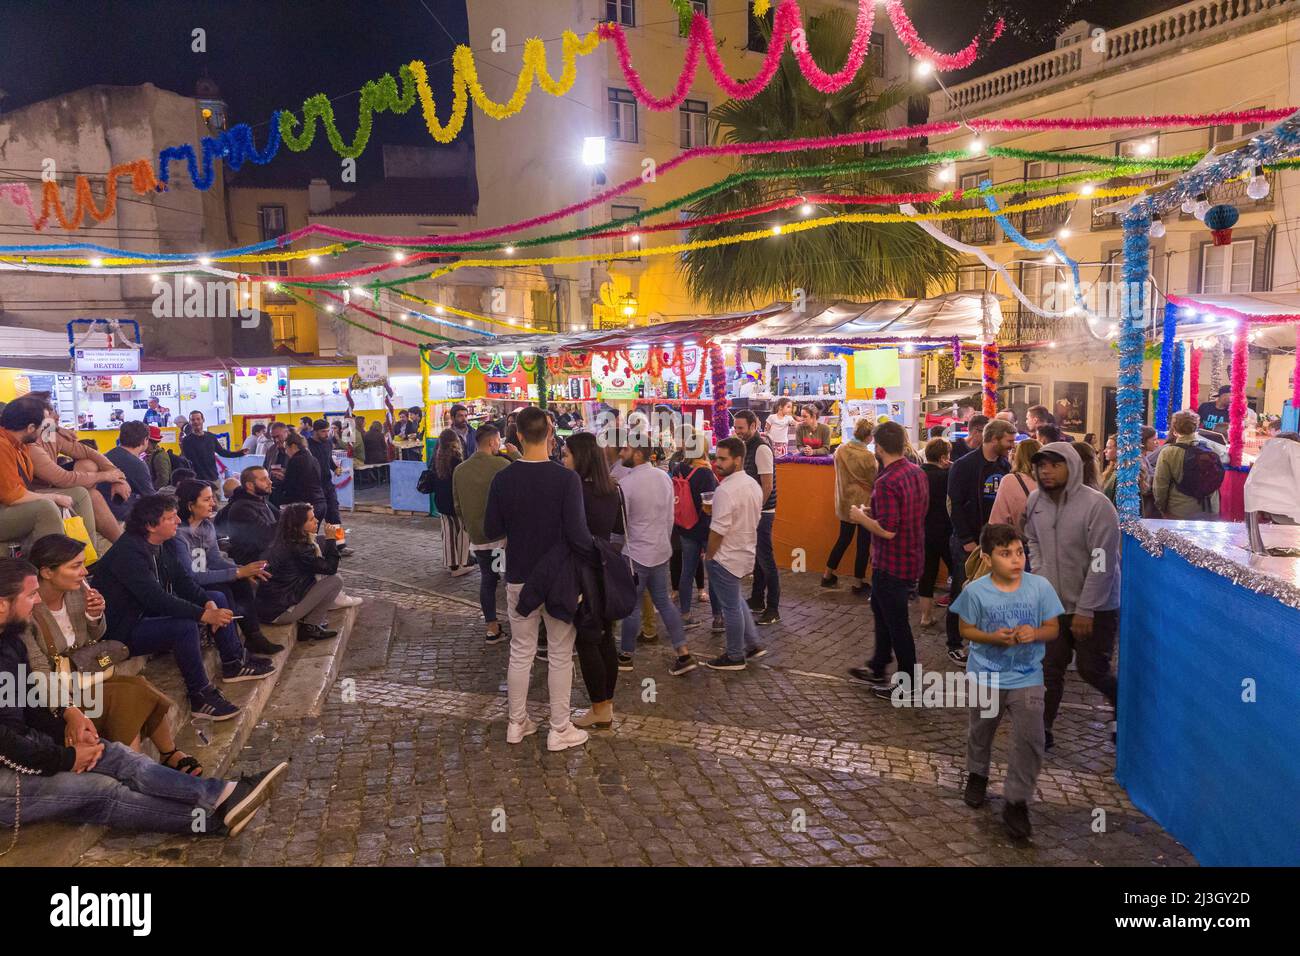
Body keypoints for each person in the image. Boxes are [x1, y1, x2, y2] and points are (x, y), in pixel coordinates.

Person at [0, 557, 288, 837]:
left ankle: (224, 794)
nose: (36, 602)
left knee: (116, 754)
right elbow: (5, 742)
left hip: (28, 746)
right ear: (2, 605)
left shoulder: (10, 641)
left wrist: (69, 725)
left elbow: (28, 705)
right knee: (103, 791)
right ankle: (211, 821)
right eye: (30, 595)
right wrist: (66, 757)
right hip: (6, 781)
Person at [23, 534, 199, 774]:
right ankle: (141, 772)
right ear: (46, 572)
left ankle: (166, 755)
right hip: (58, 695)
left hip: (84, 676)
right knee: (127, 699)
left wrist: (94, 616)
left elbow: (92, 641)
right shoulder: (28, 610)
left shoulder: (76, 594)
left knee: (141, 686)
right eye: (75, 566)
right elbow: (38, 669)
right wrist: (68, 709)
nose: (85, 572)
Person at [91, 495, 274, 721]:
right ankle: (200, 695)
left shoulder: (156, 545)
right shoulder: (129, 552)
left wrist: (206, 603)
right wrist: (204, 614)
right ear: (150, 525)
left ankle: (233, 662)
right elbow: (155, 598)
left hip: (145, 613)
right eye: (170, 517)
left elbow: (182, 581)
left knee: (216, 596)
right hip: (124, 627)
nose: (178, 521)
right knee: (184, 627)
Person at [483, 407, 595, 752]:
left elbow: (491, 529)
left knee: (520, 652)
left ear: (516, 435)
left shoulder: (503, 478)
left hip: (519, 577)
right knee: (561, 654)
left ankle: (517, 724)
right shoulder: (566, 479)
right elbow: (578, 534)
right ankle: (559, 729)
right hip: (560, 579)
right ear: (551, 433)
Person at [954, 523, 1064, 840]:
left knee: (1031, 737)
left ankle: (1017, 801)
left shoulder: (1039, 587)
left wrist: (1036, 633)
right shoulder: (975, 591)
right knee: (982, 727)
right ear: (987, 559)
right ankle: (977, 772)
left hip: (1027, 676)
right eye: (1005, 554)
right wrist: (990, 637)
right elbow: (965, 630)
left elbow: (1053, 628)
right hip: (985, 675)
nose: (1016, 560)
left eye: (1019, 552)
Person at [1024, 442, 1121, 751]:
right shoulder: (1035, 501)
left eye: (1055, 464)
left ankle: (1125, 706)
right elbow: (1032, 539)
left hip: (1096, 606)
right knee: (1049, 667)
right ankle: (1043, 730)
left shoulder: (1097, 505)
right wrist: (1040, 574)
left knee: (1092, 669)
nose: (1046, 471)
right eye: (1042, 465)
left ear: (1072, 466)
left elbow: (1102, 561)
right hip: (1053, 605)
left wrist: (1087, 609)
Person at [846, 421, 928, 699]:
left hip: (891, 562)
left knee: (897, 624)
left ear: (877, 447)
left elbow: (888, 530)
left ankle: (908, 683)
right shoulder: (916, 472)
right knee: (882, 613)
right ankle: (878, 665)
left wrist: (861, 517)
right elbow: (910, 512)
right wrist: (875, 510)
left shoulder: (886, 481)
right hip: (912, 555)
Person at [173, 479, 283, 656]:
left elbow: (215, 560)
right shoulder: (178, 533)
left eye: (213, 498)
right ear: (190, 505)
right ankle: (232, 648)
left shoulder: (206, 526)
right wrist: (237, 572)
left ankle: (253, 637)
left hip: (203, 576)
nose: (213, 504)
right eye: (207, 500)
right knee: (224, 590)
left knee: (241, 583)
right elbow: (191, 576)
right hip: (186, 585)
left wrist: (244, 570)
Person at [615, 437, 696, 676]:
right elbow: (670, 515)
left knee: (632, 605)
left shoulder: (626, 484)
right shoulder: (663, 477)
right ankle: (683, 652)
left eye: (626, 449)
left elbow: (622, 524)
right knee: (664, 602)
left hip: (636, 553)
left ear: (638, 454)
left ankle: (626, 655)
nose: (622, 453)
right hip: (660, 550)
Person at [562, 431, 625, 727]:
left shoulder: (575, 492)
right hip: (606, 567)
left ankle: (599, 707)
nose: (563, 459)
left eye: (566, 454)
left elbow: (570, 535)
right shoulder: (613, 489)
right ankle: (606, 704)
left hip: (583, 569)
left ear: (581, 457)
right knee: (605, 638)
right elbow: (618, 534)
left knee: (588, 639)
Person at [944, 419, 1016, 664]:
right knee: (962, 592)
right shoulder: (965, 465)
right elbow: (953, 503)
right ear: (993, 439)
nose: (1011, 445)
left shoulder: (1005, 466)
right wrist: (966, 539)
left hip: (994, 542)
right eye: (1008, 440)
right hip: (969, 542)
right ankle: (954, 643)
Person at [698, 437, 766, 670]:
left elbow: (718, 530)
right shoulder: (753, 485)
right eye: (717, 457)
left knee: (730, 607)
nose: (717, 463)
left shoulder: (725, 490)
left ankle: (735, 655)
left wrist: (709, 555)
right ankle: (753, 643)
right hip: (745, 550)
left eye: (722, 459)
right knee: (735, 600)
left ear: (737, 460)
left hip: (725, 555)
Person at [19, 394, 125, 542]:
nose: (57, 415)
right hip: (29, 494)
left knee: (88, 468)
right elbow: (63, 479)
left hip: (49, 487)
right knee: (82, 493)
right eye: (51, 411)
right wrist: (106, 476)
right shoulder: (29, 445)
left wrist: (119, 478)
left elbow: (87, 451)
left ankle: (122, 546)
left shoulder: (47, 432)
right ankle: (89, 554)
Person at [0, 399, 97, 549]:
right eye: (46, 424)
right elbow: (13, 496)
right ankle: (54, 567)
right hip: (6, 506)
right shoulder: (3, 446)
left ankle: (87, 557)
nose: (50, 427)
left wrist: (59, 430)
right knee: (46, 507)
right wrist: (55, 497)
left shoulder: (21, 443)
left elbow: (83, 451)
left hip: (16, 498)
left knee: (79, 493)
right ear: (31, 428)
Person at [453, 424, 517, 644]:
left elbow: (458, 506)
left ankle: (492, 627)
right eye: (498, 441)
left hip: (479, 540)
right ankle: (518, 625)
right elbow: (525, 473)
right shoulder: (502, 465)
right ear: (492, 442)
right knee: (509, 579)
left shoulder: (460, 470)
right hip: (502, 540)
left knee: (488, 580)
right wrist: (515, 453)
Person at [255, 502, 353, 641]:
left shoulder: (286, 539)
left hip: (270, 607)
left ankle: (311, 621)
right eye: (312, 519)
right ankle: (311, 626)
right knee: (335, 580)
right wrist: (331, 539)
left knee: (323, 571)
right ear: (299, 524)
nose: (317, 521)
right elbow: (330, 568)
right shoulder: (298, 548)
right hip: (280, 612)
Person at [731, 410, 781, 626]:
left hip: (762, 512)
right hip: (755, 511)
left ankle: (773, 608)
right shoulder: (747, 447)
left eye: (741, 428)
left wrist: (754, 511)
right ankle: (757, 599)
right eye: (736, 427)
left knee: (766, 559)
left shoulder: (761, 448)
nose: (737, 432)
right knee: (759, 559)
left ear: (753, 426)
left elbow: (767, 486)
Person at [821, 418, 877, 593]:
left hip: (844, 501)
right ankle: (858, 583)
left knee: (843, 540)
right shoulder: (868, 456)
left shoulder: (841, 450)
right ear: (868, 437)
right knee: (863, 543)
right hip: (863, 504)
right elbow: (874, 480)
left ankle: (827, 575)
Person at [672, 428, 717, 626]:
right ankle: (718, 618)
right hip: (705, 528)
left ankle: (685, 615)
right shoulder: (706, 472)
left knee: (686, 571)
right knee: (713, 573)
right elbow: (710, 504)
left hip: (684, 526)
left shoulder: (678, 468)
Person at [918, 437, 953, 628]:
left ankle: (925, 616)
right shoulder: (947, 476)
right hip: (945, 530)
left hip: (923, 530)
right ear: (943, 457)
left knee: (927, 574)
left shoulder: (917, 474)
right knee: (958, 572)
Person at [215, 466, 278, 565]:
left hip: (267, 558)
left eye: (268, 478)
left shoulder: (260, 500)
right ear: (250, 486)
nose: (270, 482)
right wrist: (290, 518)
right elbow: (266, 536)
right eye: (263, 479)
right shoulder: (241, 508)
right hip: (253, 565)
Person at [432, 428, 473, 577]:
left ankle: (451, 564)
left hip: (441, 502)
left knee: (448, 534)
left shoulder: (437, 459)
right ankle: (461, 564)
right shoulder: (456, 459)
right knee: (462, 532)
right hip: (455, 501)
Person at [989, 438, 1041, 534]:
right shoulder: (1050, 480)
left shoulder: (1010, 480)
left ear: (1017, 456)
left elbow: (997, 522)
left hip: (1021, 543)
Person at [180, 411, 241, 488]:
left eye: (198, 419)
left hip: (213, 479)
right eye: (193, 420)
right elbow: (186, 460)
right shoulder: (186, 440)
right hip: (197, 481)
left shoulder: (211, 437)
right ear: (190, 422)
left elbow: (222, 452)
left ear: (203, 420)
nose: (196, 422)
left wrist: (240, 453)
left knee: (216, 499)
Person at [104, 420, 157, 503]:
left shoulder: (106, 456)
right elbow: (151, 499)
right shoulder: (137, 465)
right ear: (145, 440)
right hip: (123, 512)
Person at [280, 431, 327, 518]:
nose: (286, 452)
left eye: (286, 448)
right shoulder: (313, 459)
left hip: (306, 505)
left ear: (293, 446)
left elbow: (290, 486)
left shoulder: (295, 460)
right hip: (320, 502)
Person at [307, 419, 343, 527]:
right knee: (315, 516)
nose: (326, 434)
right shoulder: (307, 446)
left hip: (328, 484)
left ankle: (338, 542)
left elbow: (328, 460)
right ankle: (312, 541)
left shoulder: (328, 443)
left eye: (328, 431)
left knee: (334, 514)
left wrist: (335, 468)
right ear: (315, 431)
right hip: (314, 486)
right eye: (323, 431)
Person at [145, 426, 172, 490]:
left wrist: (152, 491)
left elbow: (163, 479)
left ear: (148, 441)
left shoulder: (160, 456)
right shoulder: (150, 454)